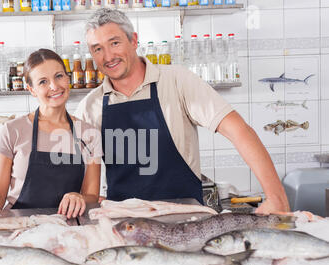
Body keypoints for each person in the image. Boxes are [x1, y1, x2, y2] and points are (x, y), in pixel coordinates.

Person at [75, 8, 290, 214]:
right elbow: (77, 175)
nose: (108, 56)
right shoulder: (89, 107)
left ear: (133, 40)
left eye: (114, 43)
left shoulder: (178, 81)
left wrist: (276, 197)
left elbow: (239, 131)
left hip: (186, 219)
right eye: (97, 49)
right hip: (125, 225)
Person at [0, 49, 102, 221]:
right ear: (31, 90)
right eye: (43, 82)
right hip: (20, 229)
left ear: (68, 78)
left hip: (69, 231)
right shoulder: (12, 131)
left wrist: (80, 197)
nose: (54, 86)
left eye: (59, 76)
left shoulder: (89, 134)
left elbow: (91, 196)